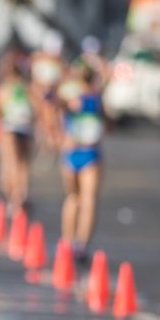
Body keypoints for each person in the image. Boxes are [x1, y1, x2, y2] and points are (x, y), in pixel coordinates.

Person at [54, 64, 105, 264]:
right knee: (88, 199)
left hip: (72, 151)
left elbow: (52, 104)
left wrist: (57, 134)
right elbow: (108, 124)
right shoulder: (96, 98)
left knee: (73, 198)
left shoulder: (71, 97)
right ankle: (80, 245)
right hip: (88, 151)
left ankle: (68, 242)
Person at [0, 54, 37, 213]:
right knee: (23, 165)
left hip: (9, 128)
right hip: (26, 128)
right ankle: (22, 195)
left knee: (10, 165)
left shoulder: (3, 89)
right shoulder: (28, 88)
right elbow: (38, 108)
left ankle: (14, 199)